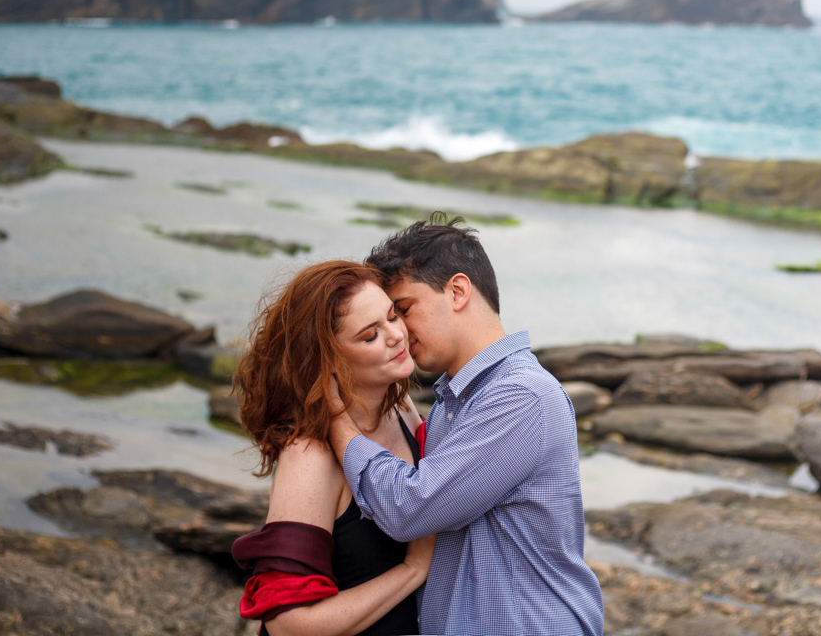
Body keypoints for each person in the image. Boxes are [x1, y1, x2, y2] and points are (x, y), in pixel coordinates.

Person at [328, 218, 604, 636]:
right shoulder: (450, 404)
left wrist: (338, 423)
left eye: (403, 309)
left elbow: (410, 508)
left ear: (457, 291)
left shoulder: (520, 396)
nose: (399, 330)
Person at [230, 260, 435, 636]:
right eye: (370, 335)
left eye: (393, 316)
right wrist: (412, 571)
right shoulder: (310, 456)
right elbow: (288, 626)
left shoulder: (401, 409)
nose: (396, 335)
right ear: (330, 359)